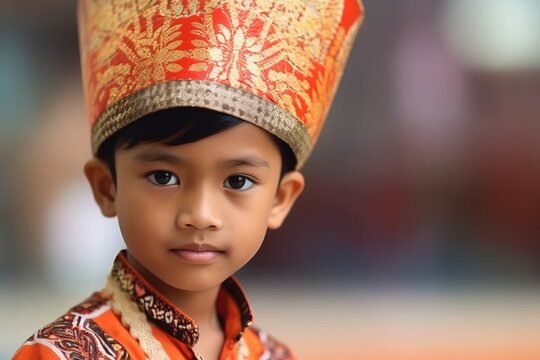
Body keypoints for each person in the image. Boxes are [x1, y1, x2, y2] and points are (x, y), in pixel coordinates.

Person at [13, 0, 364, 359]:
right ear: (106, 187)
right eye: (164, 177)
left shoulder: (273, 355)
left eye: (238, 182)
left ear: (280, 199)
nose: (200, 214)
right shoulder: (60, 353)